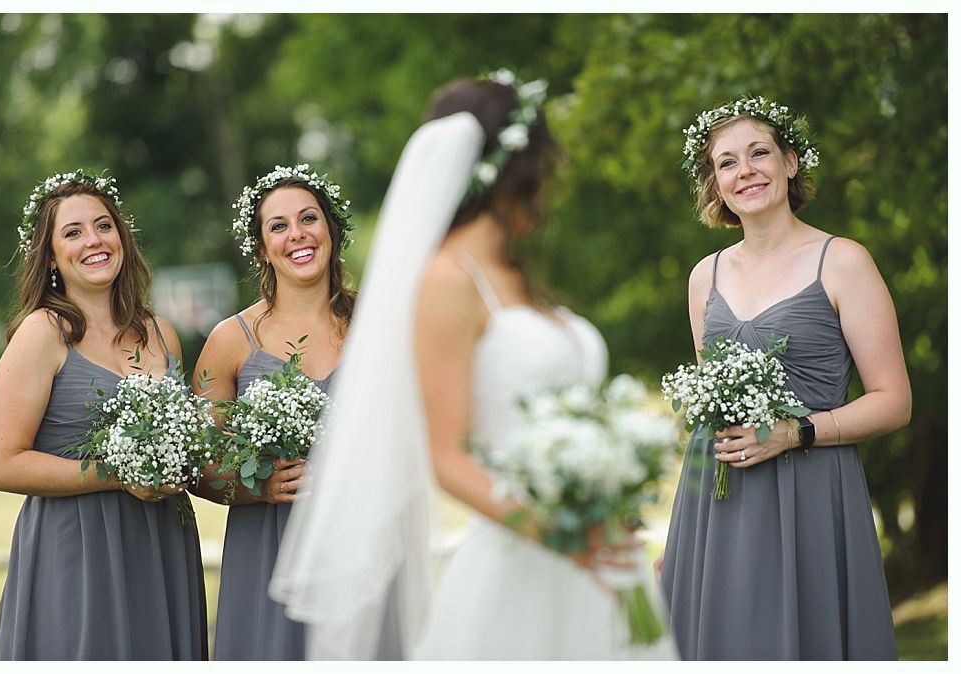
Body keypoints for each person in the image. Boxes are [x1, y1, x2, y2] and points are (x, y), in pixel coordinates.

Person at [269, 70, 677, 660]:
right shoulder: (446, 281)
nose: (550, 184)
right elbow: (447, 458)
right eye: (544, 165)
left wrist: (605, 496)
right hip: (527, 557)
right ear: (516, 170)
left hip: (602, 556)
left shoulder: (519, 276)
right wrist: (566, 537)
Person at [656, 96, 911, 660]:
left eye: (759, 153)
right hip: (718, 505)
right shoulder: (706, 276)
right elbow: (709, 411)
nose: (745, 171)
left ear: (791, 162)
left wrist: (796, 432)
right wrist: (681, 540)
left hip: (812, 493)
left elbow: (894, 401)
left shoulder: (842, 261)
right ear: (715, 183)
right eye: (727, 162)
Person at [0, 169, 208, 660]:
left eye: (104, 225)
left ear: (122, 237)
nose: (94, 240)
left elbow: (186, 445)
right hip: (77, 548)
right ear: (51, 257)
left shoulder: (160, 334)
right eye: (73, 232)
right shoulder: (42, 333)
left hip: (161, 540)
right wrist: (117, 475)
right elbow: (2, 465)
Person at [190, 164, 355, 659]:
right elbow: (195, 463)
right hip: (268, 548)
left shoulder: (381, 323)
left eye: (308, 218)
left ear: (331, 229)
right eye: (278, 226)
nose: (297, 235)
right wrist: (252, 486)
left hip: (359, 536)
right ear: (261, 247)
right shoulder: (229, 341)